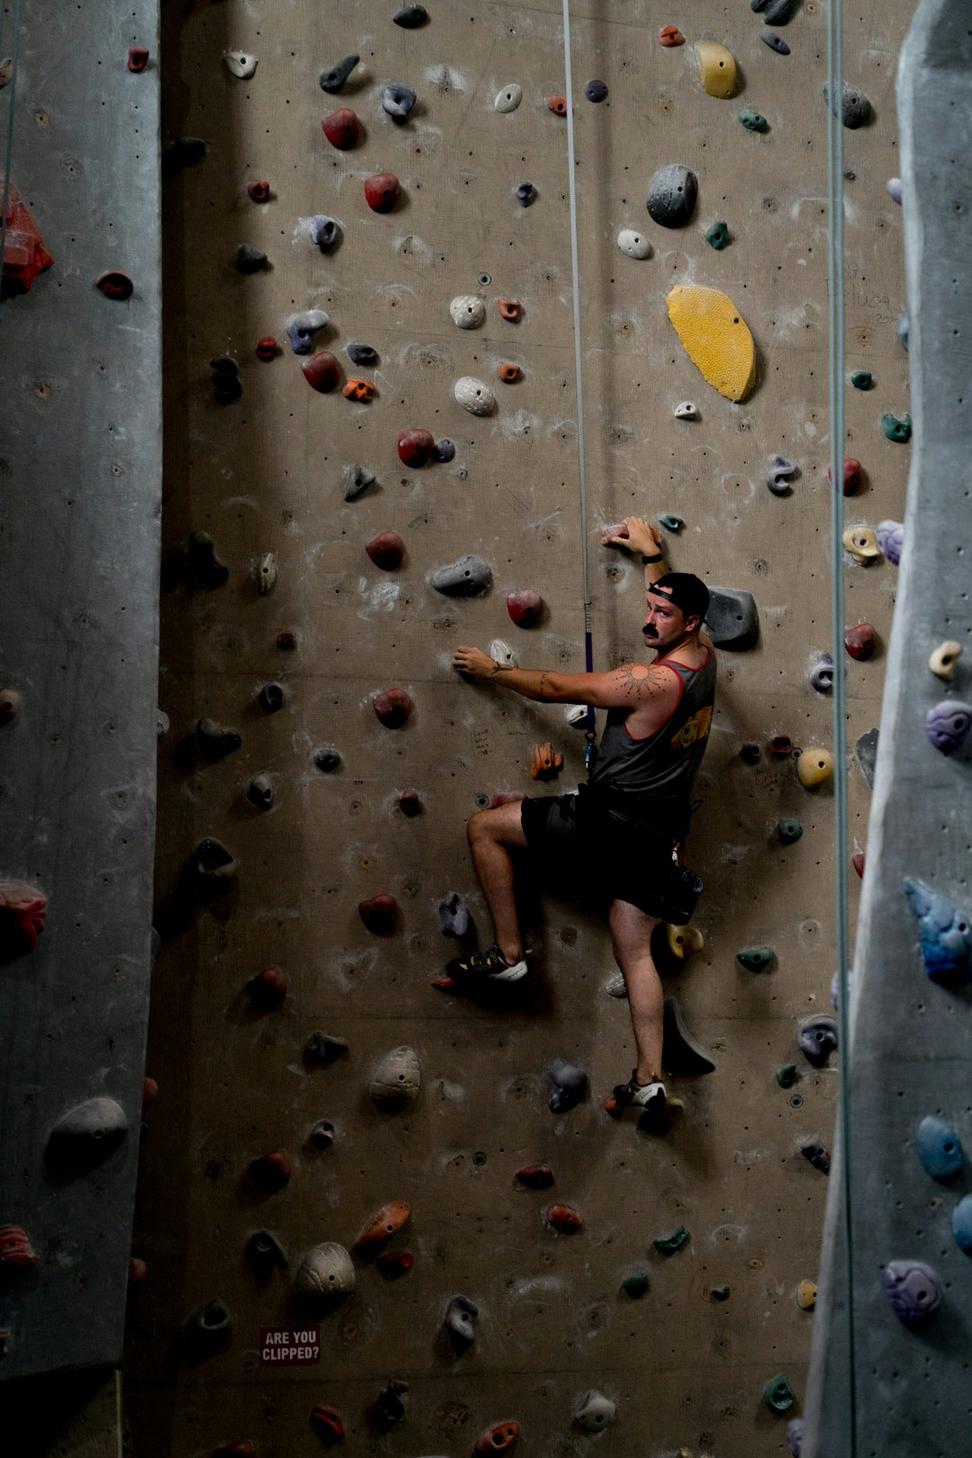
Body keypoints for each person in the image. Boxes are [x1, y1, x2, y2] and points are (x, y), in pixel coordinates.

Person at [450, 517, 716, 1118]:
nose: (649, 621)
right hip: (660, 839)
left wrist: (494, 672)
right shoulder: (704, 662)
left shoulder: (647, 682)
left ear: (691, 623)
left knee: (485, 828)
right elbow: (672, 604)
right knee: (636, 952)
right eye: (650, 610)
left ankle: (510, 954)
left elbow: (551, 686)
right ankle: (649, 1076)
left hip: (608, 823)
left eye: (661, 616)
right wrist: (652, 558)